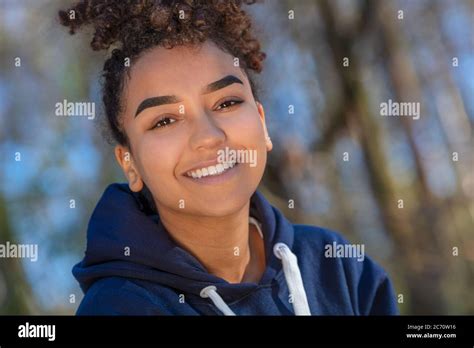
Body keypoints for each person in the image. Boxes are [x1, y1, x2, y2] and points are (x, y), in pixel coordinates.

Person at [59, 0, 398, 315]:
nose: (208, 136)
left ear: (262, 123)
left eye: (226, 103)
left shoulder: (336, 265)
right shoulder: (119, 307)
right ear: (129, 164)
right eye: (165, 120)